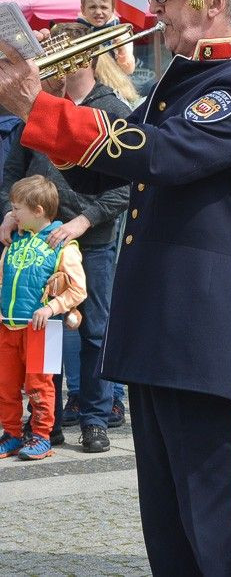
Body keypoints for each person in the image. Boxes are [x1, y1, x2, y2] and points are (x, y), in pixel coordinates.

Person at [0, 0, 231, 575]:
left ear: (213, 0)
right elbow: (108, 166)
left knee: (222, 537)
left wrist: (36, 108)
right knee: (171, 532)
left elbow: (162, 154)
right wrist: (42, 104)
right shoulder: (179, 81)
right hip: (164, 327)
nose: (153, 7)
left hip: (211, 334)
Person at [0, 27, 130, 455]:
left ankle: (95, 418)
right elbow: (10, 175)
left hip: (90, 243)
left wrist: (82, 223)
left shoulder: (110, 108)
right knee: (46, 333)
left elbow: (126, 186)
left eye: (54, 54)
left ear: (81, 59)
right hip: (39, 243)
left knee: (95, 331)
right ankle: (47, 422)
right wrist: (8, 212)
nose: (45, 65)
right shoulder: (39, 111)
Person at [0, 176, 87, 461]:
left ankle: (41, 436)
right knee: (5, 384)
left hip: (43, 328)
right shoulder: (14, 240)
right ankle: (12, 434)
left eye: (16, 209)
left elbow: (78, 289)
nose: (11, 214)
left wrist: (51, 308)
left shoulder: (63, 244)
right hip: (9, 324)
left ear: (38, 210)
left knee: (40, 385)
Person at [77, 0, 137, 76]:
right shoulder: (74, 33)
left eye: (104, 7)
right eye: (92, 7)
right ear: (83, 9)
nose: (98, 12)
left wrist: (122, 51)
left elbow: (129, 70)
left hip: (112, 84)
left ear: (112, 9)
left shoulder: (121, 34)